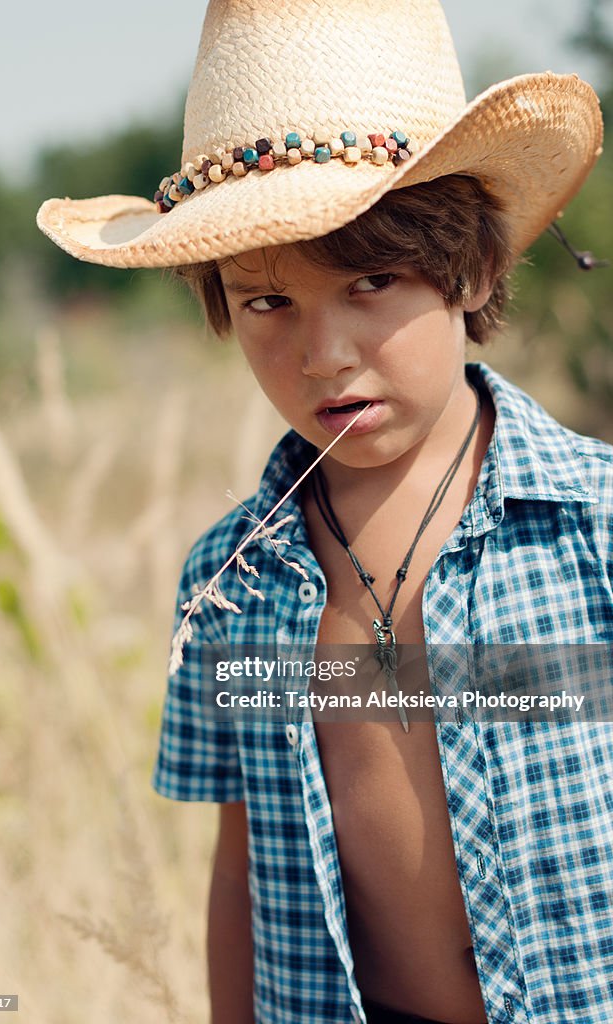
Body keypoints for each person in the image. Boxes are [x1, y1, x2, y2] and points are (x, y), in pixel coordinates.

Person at [37, 1, 613, 1022]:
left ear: (471, 270)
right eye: (267, 303)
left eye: (372, 281)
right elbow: (243, 868)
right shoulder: (229, 581)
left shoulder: (593, 527)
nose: (322, 352)